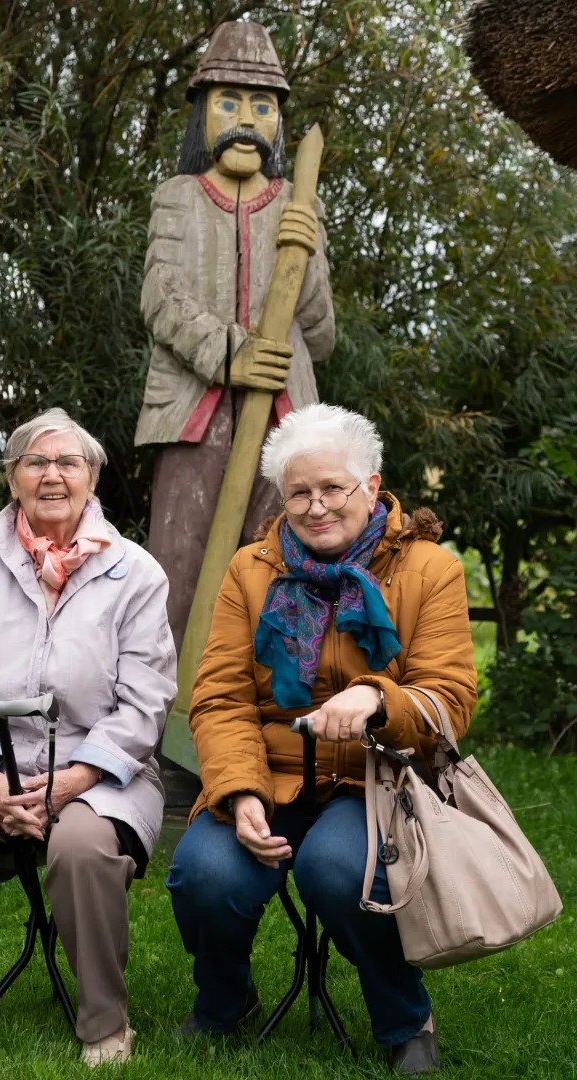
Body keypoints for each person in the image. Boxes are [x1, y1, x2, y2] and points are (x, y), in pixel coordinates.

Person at [167, 403, 477, 1075]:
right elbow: (220, 699)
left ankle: (405, 1019)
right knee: (204, 873)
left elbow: (449, 698)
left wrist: (378, 698)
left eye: (332, 488)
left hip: (376, 779)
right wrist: (239, 792)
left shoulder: (430, 570)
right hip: (270, 774)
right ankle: (226, 1002)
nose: (315, 507)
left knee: (338, 869)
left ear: (371, 485)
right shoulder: (250, 570)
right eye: (298, 493)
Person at [0, 407, 176, 1066]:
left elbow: (146, 700)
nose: (53, 475)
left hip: (100, 773)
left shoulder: (136, 572)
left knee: (81, 850)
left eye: (68, 462)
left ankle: (105, 1021)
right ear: (12, 478)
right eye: (36, 462)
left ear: (91, 477)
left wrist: (74, 781)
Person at [136, 20, 335, 653]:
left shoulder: (298, 203)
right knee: (178, 570)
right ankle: (167, 705)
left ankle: (277, 703)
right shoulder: (178, 198)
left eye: (262, 106)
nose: (246, 119)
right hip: (192, 417)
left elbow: (320, 333)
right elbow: (160, 297)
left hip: (285, 422)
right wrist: (230, 354)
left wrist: (307, 251)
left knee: (284, 575)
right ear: (202, 113)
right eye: (229, 102)